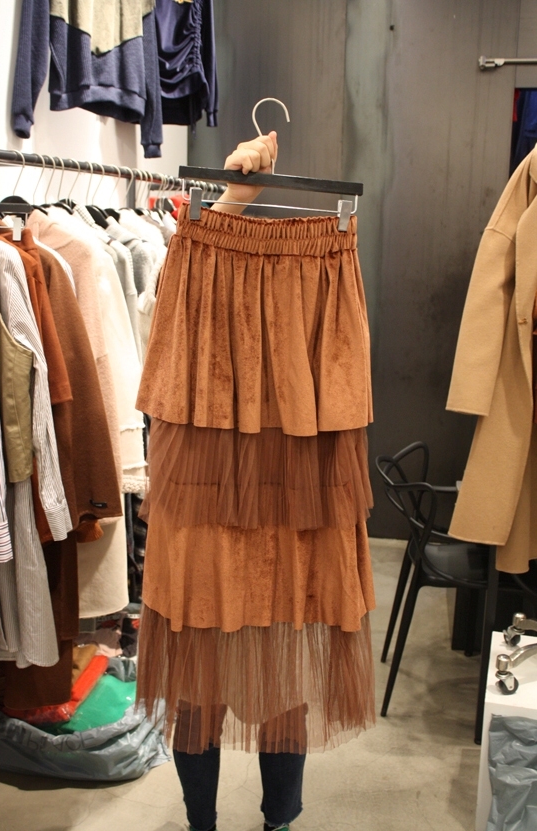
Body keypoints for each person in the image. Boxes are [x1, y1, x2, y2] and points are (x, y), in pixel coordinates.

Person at [136, 130, 376, 831]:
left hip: (267, 474)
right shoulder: (197, 251)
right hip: (244, 476)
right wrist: (233, 198)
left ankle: (250, 820)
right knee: (255, 655)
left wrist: (230, 203)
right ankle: (253, 821)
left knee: (244, 656)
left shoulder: (203, 254)